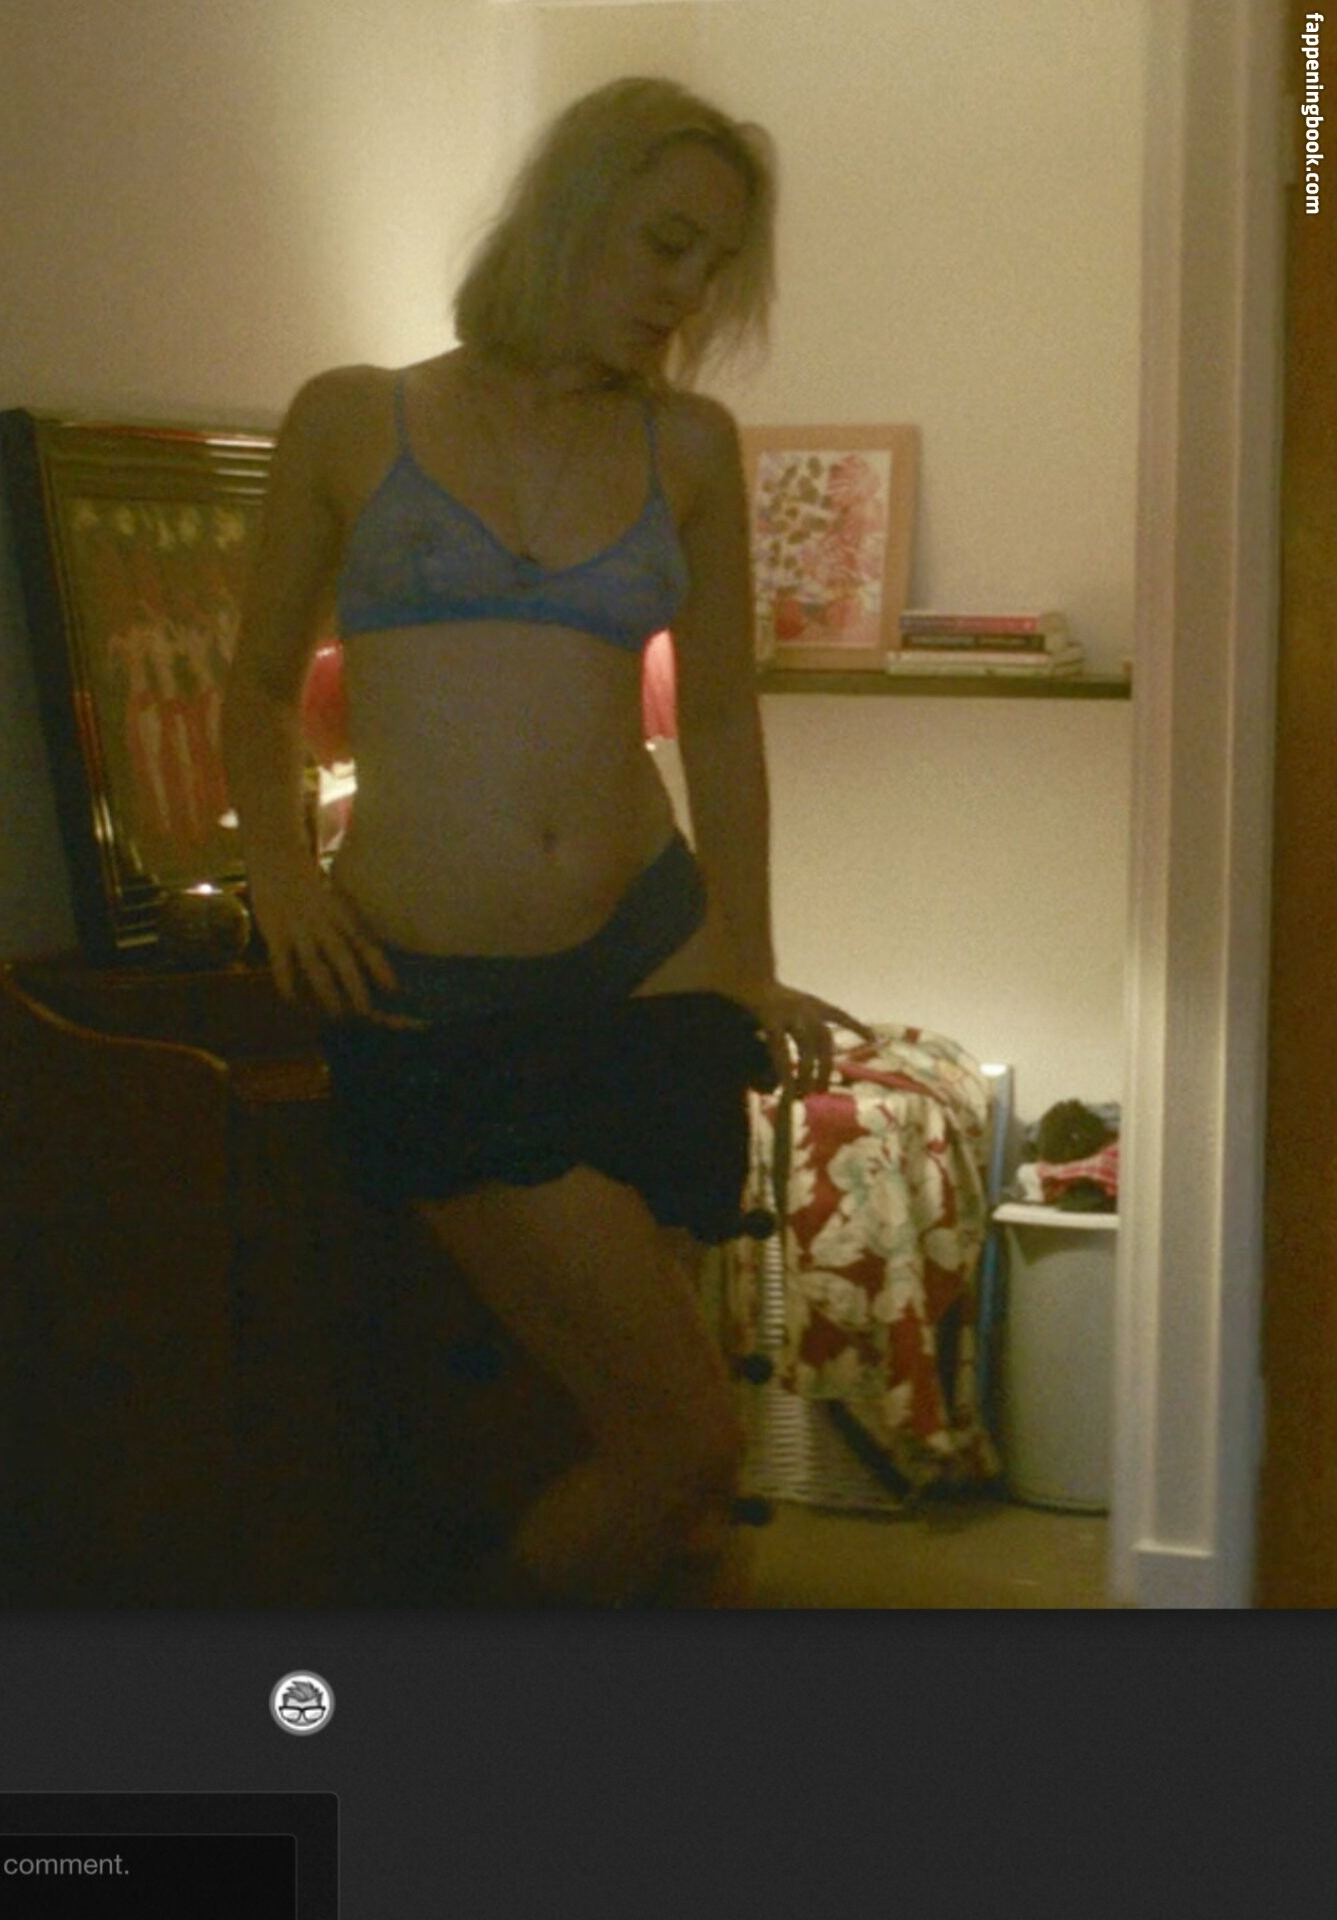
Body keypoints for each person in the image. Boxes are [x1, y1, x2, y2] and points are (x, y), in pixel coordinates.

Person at [221, 75, 866, 1607]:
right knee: (679, 1440)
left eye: (714, 263)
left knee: (649, 1463)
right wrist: (278, 873)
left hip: (651, 961)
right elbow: (249, 687)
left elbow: (721, 725)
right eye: (663, 243)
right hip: (438, 1003)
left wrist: (748, 957)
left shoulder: (691, 446)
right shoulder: (351, 415)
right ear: (567, 215)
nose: (685, 291)